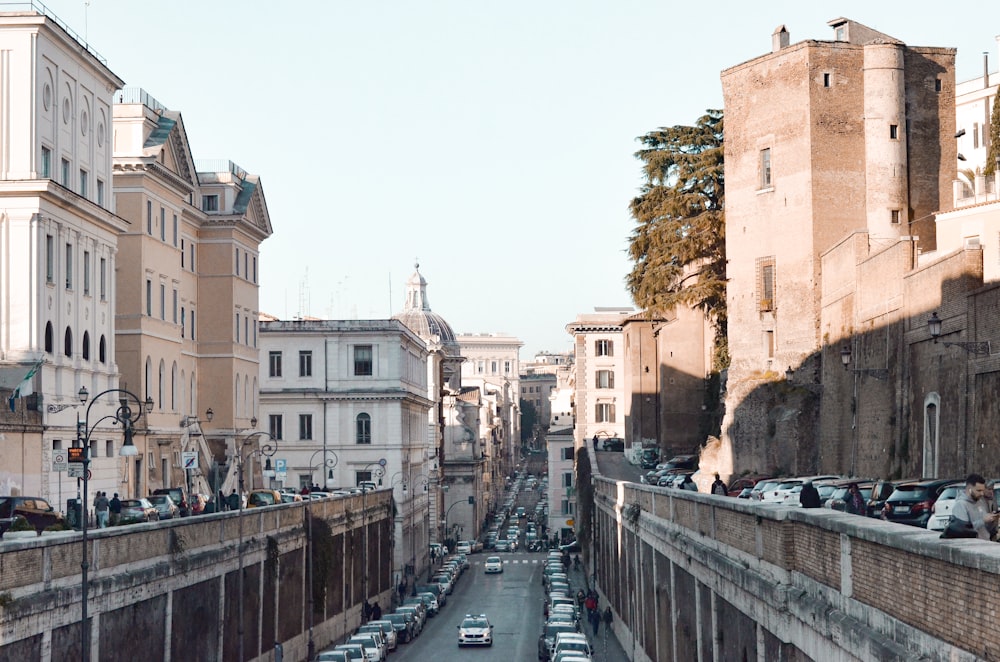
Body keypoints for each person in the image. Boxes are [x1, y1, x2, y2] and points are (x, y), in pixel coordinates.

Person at [950, 473, 999, 540]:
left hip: (985, 542)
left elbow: (984, 527)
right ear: (969, 489)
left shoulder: (979, 502)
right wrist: (983, 520)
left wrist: (992, 519)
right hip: (972, 545)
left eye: (983, 490)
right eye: (979, 490)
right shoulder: (961, 505)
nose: (982, 494)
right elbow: (963, 530)